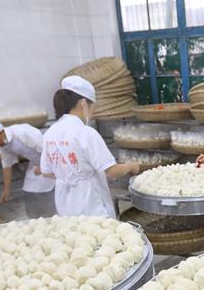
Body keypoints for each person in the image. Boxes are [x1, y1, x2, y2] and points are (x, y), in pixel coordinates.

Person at [40, 75, 140, 217]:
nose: (92, 112)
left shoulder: (50, 132)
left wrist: (68, 175)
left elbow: (46, 172)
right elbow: (111, 171)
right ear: (83, 104)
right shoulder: (86, 133)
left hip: (64, 203)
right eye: (92, 106)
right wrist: (131, 166)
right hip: (89, 203)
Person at [0, 120, 56, 218]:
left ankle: (50, 214)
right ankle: (33, 217)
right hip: (35, 163)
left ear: (0, 133)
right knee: (29, 187)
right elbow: (7, 165)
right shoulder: (3, 144)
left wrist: (44, 167)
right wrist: (6, 190)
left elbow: (48, 148)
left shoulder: (21, 132)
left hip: (52, 160)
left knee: (47, 187)